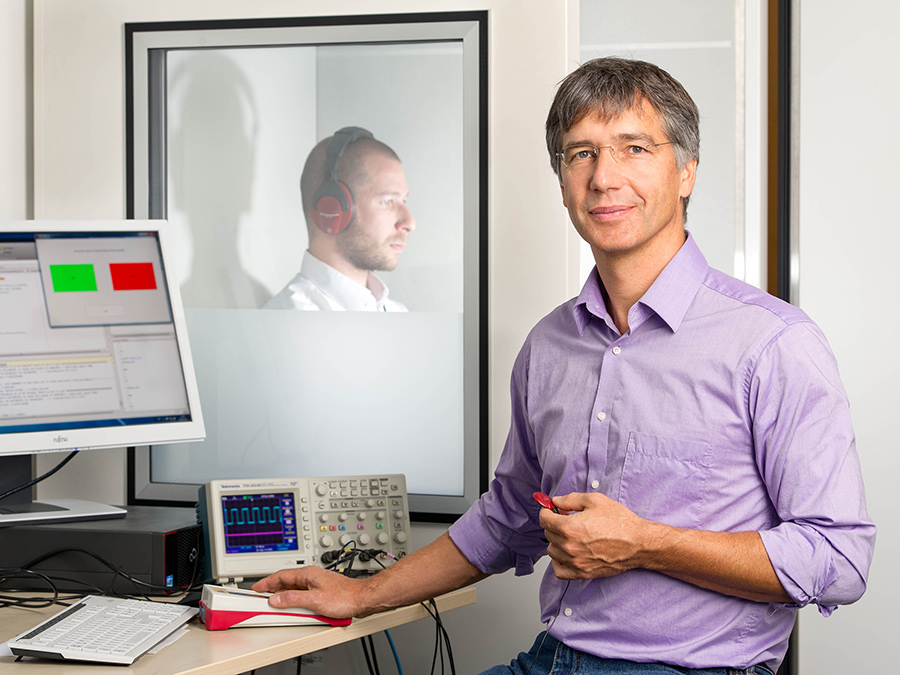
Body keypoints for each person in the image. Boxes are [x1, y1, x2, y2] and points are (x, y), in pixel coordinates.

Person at [252, 58, 875, 674]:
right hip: (552, 659)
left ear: (685, 172)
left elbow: (840, 559)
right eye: (581, 153)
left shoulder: (773, 344)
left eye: (634, 147)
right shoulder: (548, 346)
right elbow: (508, 516)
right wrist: (361, 595)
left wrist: (647, 544)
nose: (604, 177)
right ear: (561, 181)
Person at [265, 127, 416, 311]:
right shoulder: (290, 321)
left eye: (404, 200)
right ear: (331, 209)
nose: (410, 223)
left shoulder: (398, 313)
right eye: (387, 201)